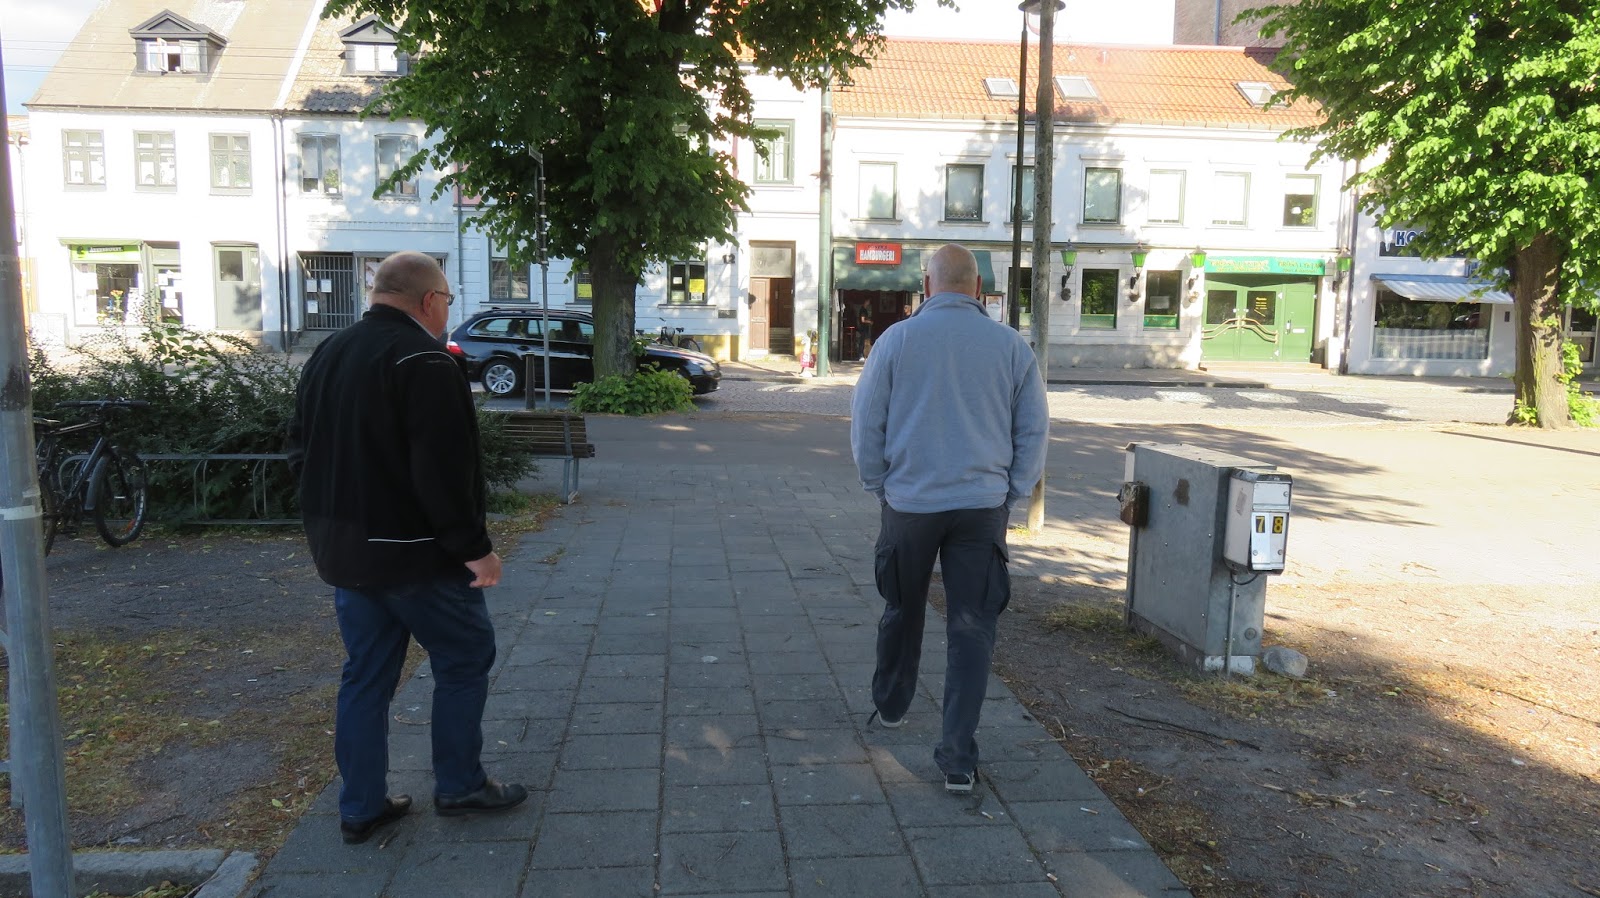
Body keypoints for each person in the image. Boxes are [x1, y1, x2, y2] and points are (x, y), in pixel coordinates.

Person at [287, 251, 528, 845]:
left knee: (365, 676)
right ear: (428, 300)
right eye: (447, 300)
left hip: (346, 553)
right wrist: (476, 550)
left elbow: (298, 447)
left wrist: (327, 524)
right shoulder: (424, 359)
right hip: (414, 556)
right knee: (465, 656)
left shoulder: (329, 352)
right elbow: (442, 471)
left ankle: (361, 805)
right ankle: (460, 783)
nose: (448, 311)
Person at [849, 243, 1049, 794]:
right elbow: (1033, 430)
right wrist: (1010, 492)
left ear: (928, 285)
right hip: (980, 508)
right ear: (979, 289)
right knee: (972, 627)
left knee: (902, 604)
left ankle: (891, 702)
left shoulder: (897, 341)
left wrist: (878, 485)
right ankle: (958, 757)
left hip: (910, 504)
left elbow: (867, 421)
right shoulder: (1011, 347)